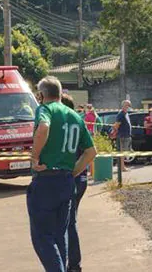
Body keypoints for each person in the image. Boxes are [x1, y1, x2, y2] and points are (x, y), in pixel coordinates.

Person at [28, 76, 96, 272]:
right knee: (60, 234)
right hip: (66, 180)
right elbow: (91, 152)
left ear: (41, 95)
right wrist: (72, 171)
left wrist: (34, 158)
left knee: (42, 236)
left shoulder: (45, 109)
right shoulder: (75, 115)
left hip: (46, 179)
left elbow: (43, 127)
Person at [61, 93, 88, 272]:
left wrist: (72, 174)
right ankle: (73, 264)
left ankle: (71, 264)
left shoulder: (63, 126)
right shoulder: (79, 123)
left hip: (70, 179)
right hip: (80, 179)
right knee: (71, 222)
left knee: (65, 224)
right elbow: (90, 151)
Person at [113, 100, 132, 172]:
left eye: (129, 105)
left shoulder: (126, 114)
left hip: (126, 135)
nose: (128, 107)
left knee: (123, 152)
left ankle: (122, 166)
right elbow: (117, 125)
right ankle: (122, 168)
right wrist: (115, 133)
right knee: (122, 152)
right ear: (123, 106)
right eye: (127, 105)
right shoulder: (121, 114)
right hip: (122, 136)